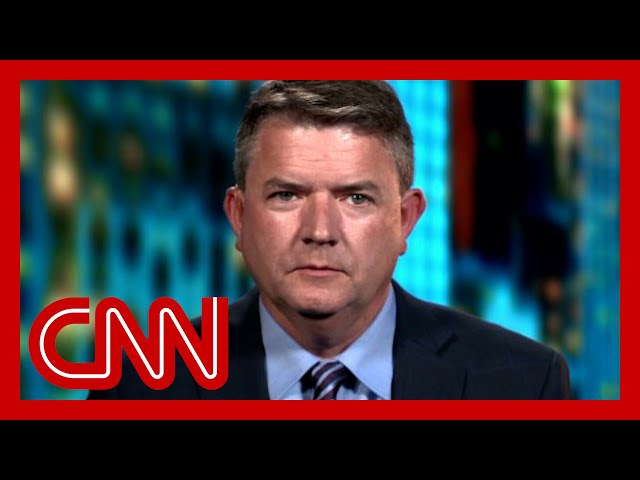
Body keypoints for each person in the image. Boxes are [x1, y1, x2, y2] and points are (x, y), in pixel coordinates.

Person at [87, 80, 572, 400]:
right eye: (286, 195)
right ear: (239, 216)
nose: (319, 232)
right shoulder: (138, 385)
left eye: (356, 198)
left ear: (405, 219)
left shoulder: (524, 384)